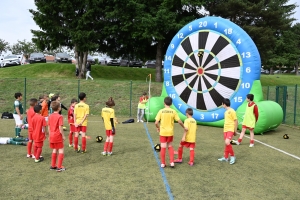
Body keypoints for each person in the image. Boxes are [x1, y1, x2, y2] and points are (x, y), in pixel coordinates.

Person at [155, 97, 187, 168]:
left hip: (163, 132)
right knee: (170, 146)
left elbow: (156, 122)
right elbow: (179, 121)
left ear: (164, 103)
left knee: (163, 147)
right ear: (171, 104)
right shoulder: (173, 111)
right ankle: (172, 162)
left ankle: (163, 163)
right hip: (170, 133)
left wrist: (158, 128)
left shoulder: (161, 111)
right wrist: (184, 127)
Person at [48, 101, 66, 172]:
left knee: (54, 149)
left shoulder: (50, 116)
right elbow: (60, 128)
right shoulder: (60, 116)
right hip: (57, 135)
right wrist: (63, 136)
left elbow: (49, 126)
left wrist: (50, 135)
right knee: (61, 149)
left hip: (52, 135)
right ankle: (59, 167)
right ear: (59, 108)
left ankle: (53, 165)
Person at [218, 98, 237, 165]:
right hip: (225, 129)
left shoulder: (232, 111)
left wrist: (235, 130)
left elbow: (235, 121)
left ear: (224, 104)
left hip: (230, 129)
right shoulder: (225, 112)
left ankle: (232, 156)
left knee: (227, 142)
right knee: (226, 143)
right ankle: (226, 157)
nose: (222, 105)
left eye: (222, 104)